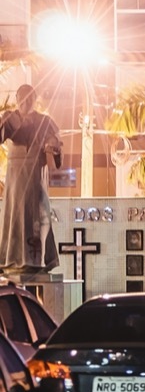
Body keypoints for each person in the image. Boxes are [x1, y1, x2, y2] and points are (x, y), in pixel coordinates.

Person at [0, 84, 62, 273]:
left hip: (36, 174)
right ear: (17, 99)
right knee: (14, 215)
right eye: (22, 98)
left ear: (35, 100)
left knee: (38, 215)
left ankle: (40, 260)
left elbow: (56, 141)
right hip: (15, 177)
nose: (25, 102)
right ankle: (11, 259)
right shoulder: (9, 118)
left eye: (29, 98)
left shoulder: (45, 121)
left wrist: (52, 146)